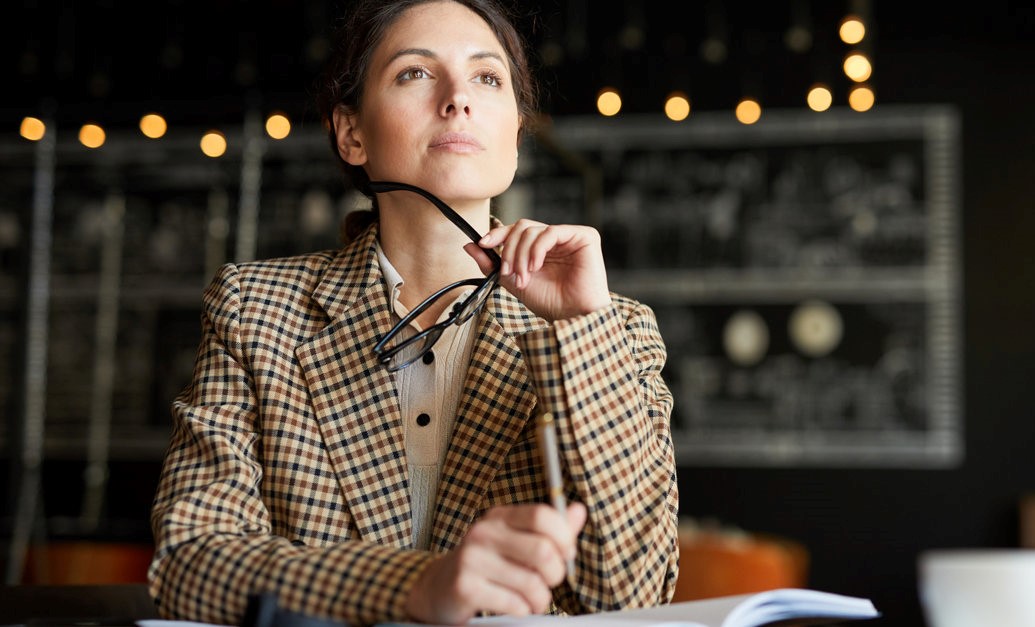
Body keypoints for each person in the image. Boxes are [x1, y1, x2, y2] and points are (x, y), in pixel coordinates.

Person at [147, 0, 679, 624]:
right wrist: (415, 586)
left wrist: (579, 328)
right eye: (416, 73)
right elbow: (188, 560)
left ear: (514, 128)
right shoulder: (255, 308)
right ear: (351, 133)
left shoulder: (619, 327)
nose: (459, 99)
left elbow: (633, 598)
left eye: (488, 78)